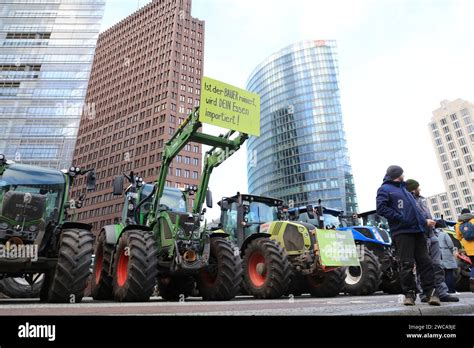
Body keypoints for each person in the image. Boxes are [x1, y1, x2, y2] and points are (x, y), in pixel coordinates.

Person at [376, 165, 440, 306]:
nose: (404, 176)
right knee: (406, 264)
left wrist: (424, 222)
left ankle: (431, 293)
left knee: (426, 262)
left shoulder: (405, 189)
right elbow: (381, 208)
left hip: (418, 231)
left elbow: (415, 212)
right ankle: (409, 294)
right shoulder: (385, 189)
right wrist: (401, 218)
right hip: (402, 232)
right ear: (398, 174)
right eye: (402, 174)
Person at [405, 179, 459, 302]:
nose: (420, 189)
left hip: (431, 235)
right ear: (414, 188)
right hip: (421, 237)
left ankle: (441, 292)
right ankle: (425, 294)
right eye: (418, 187)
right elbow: (412, 218)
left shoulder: (421, 200)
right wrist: (425, 223)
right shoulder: (409, 201)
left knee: (438, 265)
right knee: (423, 267)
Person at [436, 220, 459, 294]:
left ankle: (443, 290)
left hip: (436, 255)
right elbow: (450, 244)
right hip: (446, 254)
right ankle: (451, 290)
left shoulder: (433, 233)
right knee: (449, 273)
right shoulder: (444, 233)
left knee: (442, 274)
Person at [455, 208, 474, 292]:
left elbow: (458, 237)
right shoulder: (473, 220)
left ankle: (472, 280)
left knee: (473, 265)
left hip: (469, 250)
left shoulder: (458, 224)